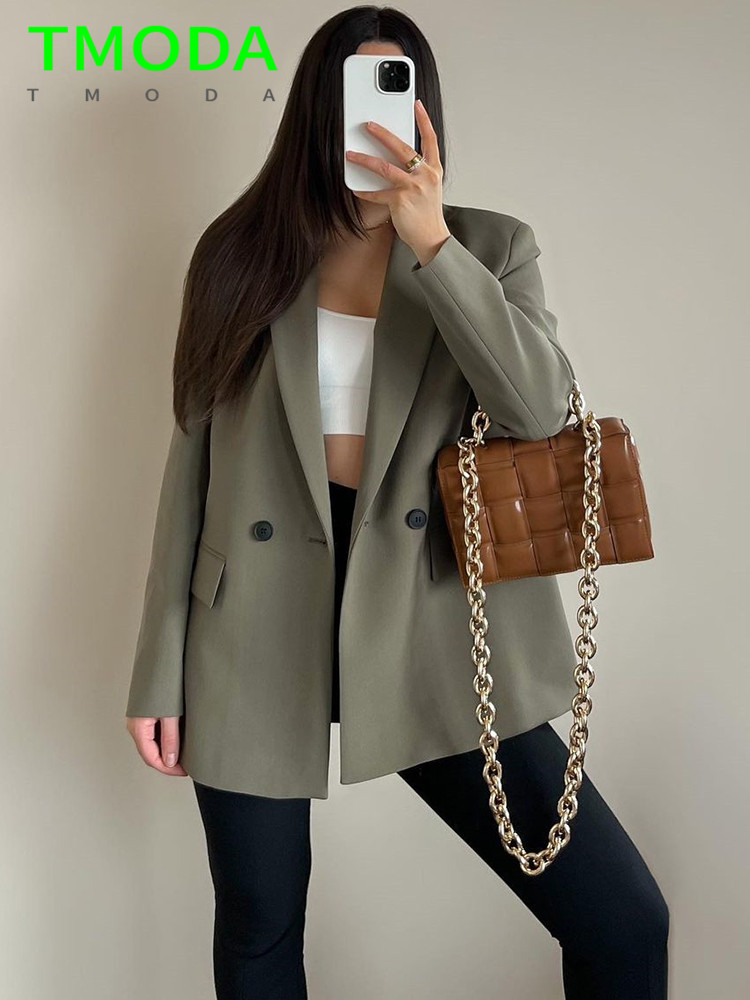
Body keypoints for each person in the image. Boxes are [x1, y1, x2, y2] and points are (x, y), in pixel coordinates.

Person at [125, 7, 670, 998]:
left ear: (424, 107)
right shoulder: (238, 252)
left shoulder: (489, 245)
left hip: (433, 612)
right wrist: (159, 667)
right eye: (353, 90)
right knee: (257, 925)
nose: (374, 114)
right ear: (315, 107)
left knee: (623, 919)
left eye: (395, 87)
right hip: (252, 624)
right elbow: (189, 464)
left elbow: (536, 408)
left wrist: (432, 243)